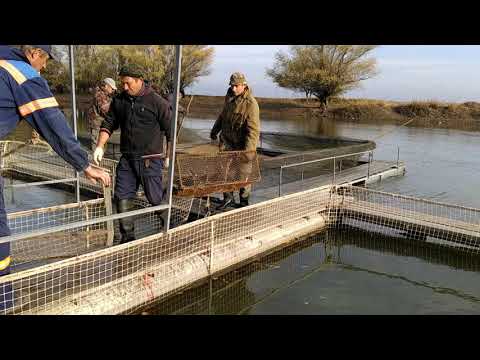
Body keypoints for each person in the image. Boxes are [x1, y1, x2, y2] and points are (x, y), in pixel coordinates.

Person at [0, 45, 111, 309]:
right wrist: (84, 164)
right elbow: (52, 120)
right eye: (46, 60)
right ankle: (4, 300)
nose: (45, 66)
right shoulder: (21, 72)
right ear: (34, 52)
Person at [93, 64, 172, 244]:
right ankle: (127, 238)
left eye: (128, 83)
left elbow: (170, 131)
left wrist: (168, 155)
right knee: (121, 196)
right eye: (123, 84)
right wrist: (100, 146)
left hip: (149, 160)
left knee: (155, 198)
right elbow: (109, 123)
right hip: (127, 159)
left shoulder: (157, 102)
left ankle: (168, 225)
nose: (125, 87)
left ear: (139, 80)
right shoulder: (120, 101)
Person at [210, 72, 260, 209]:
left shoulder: (251, 104)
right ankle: (228, 198)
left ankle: (243, 203)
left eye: (236, 86)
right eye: (232, 85)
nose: (233, 88)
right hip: (226, 143)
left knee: (243, 175)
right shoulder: (229, 97)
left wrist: (248, 153)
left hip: (242, 145)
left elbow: (253, 131)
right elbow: (222, 116)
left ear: (244, 85)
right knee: (224, 172)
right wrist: (214, 131)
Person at [86, 78, 117, 152]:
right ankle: (97, 163)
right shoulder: (100, 94)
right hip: (97, 126)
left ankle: (100, 162)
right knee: (98, 149)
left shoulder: (105, 94)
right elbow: (106, 110)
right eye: (112, 88)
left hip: (101, 125)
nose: (113, 91)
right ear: (106, 86)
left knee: (102, 147)